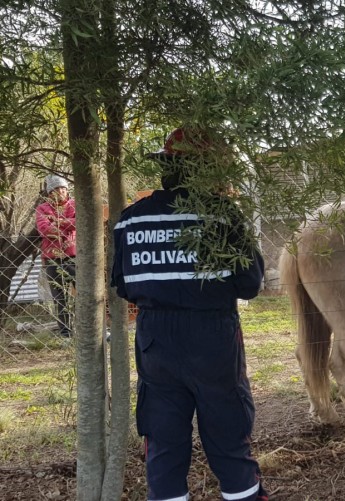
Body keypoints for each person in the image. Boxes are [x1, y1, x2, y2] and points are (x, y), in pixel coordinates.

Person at [110, 127, 268, 501]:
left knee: (163, 444)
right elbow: (250, 284)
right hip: (213, 338)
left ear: (167, 169)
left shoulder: (131, 219)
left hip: (155, 341)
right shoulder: (223, 216)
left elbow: (124, 285)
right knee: (229, 439)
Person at [36, 174, 76, 338]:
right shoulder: (42, 209)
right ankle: (66, 332)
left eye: (63, 188)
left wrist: (57, 222)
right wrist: (66, 224)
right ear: (49, 193)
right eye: (55, 189)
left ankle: (90, 327)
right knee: (59, 297)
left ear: (67, 190)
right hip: (52, 257)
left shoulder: (75, 205)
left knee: (84, 291)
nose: (60, 191)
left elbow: (78, 222)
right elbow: (43, 229)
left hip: (73, 255)